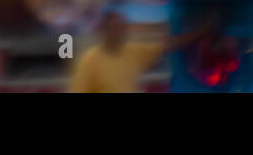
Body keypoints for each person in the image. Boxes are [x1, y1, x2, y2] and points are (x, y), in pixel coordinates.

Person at [70, 7, 209, 93]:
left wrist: (202, 31)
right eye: (113, 28)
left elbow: (168, 45)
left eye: (120, 28)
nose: (117, 32)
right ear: (103, 30)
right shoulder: (90, 60)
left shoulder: (134, 52)